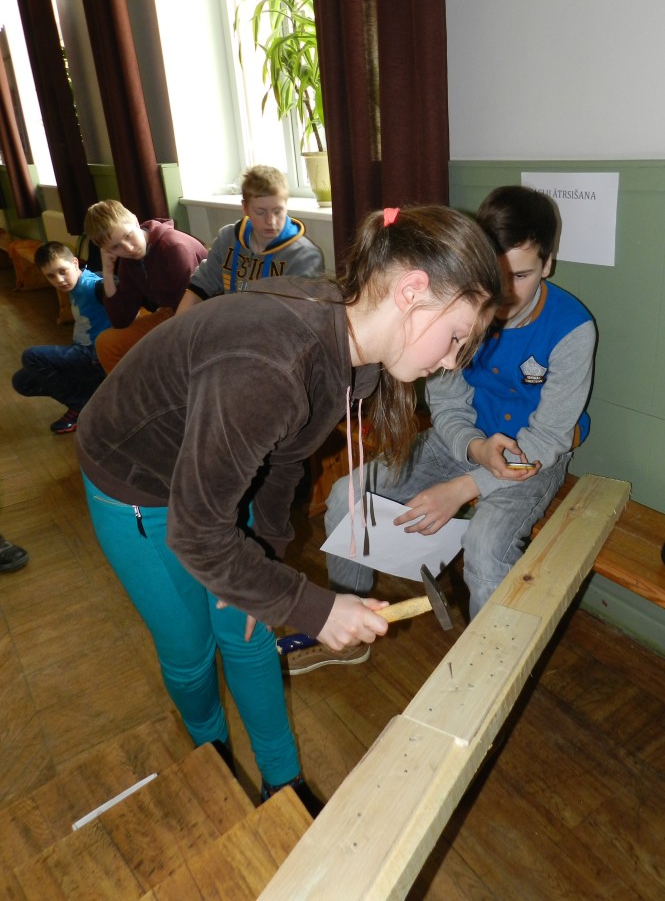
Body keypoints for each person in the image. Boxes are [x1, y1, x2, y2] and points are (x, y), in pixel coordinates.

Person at [75, 204, 500, 812]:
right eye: (456, 337)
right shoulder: (271, 362)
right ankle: (211, 761)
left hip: (217, 479)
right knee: (191, 654)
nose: (453, 360)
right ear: (411, 291)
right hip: (139, 484)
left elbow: (283, 459)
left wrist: (268, 561)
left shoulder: (354, 356)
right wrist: (312, 608)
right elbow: (198, 533)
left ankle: (283, 782)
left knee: (248, 629)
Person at [311, 185, 596, 671]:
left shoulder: (573, 329)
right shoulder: (459, 306)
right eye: (497, 274)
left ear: (548, 264)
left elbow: (548, 439)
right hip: (456, 443)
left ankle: (488, 671)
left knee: (485, 548)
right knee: (346, 498)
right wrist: (474, 449)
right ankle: (350, 626)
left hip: (532, 460)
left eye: (522, 274)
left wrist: (464, 487)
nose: (507, 292)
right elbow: (446, 404)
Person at [175, 165, 324, 316]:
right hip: (230, 322)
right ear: (245, 208)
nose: (270, 221)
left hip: (275, 328)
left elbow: (300, 318)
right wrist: (176, 327)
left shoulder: (305, 256)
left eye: (278, 211)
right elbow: (198, 289)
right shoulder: (227, 239)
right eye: (260, 212)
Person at [84, 200, 207, 372]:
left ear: (135, 221)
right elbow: (121, 320)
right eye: (115, 247)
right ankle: (138, 388)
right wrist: (108, 272)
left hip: (200, 315)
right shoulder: (129, 261)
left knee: (163, 356)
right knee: (107, 343)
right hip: (171, 313)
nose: (128, 248)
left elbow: (195, 309)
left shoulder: (174, 247)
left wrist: (164, 340)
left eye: (128, 235)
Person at [11, 242, 111, 434]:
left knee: (31, 356)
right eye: (51, 276)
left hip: (95, 356)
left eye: (62, 271)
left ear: (75, 263)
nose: (59, 279)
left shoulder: (91, 285)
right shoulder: (74, 287)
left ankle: (81, 406)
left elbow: (111, 287)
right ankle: (90, 395)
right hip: (81, 355)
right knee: (22, 381)